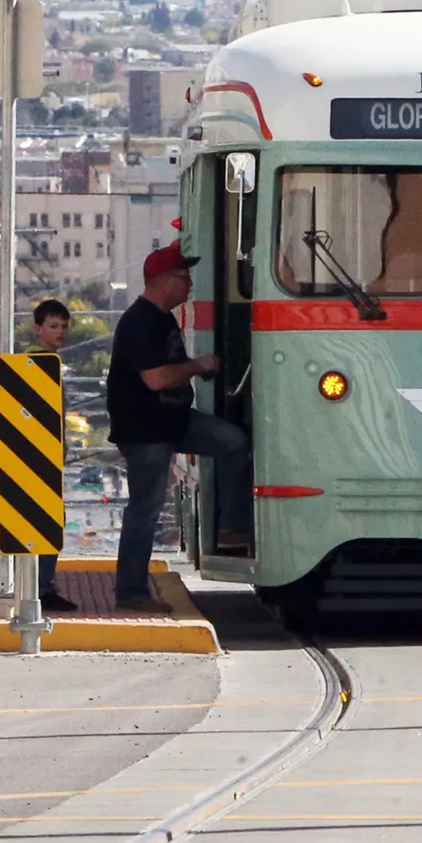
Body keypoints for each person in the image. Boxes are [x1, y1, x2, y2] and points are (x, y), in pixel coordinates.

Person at [107, 241, 253, 612]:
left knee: (233, 441)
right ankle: (131, 591)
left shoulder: (162, 318)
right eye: (183, 277)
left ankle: (232, 526)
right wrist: (197, 366)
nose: (189, 285)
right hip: (145, 430)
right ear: (161, 280)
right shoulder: (140, 321)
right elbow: (155, 379)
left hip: (173, 421)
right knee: (145, 508)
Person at [29, 299, 80, 613]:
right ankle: (42, 587)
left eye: (64, 326)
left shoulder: (48, 360)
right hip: (39, 458)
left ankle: (26, 582)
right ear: (38, 328)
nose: (60, 332)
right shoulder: (40, 362)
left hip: (44, 455)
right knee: (47, 523)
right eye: (53, 326)